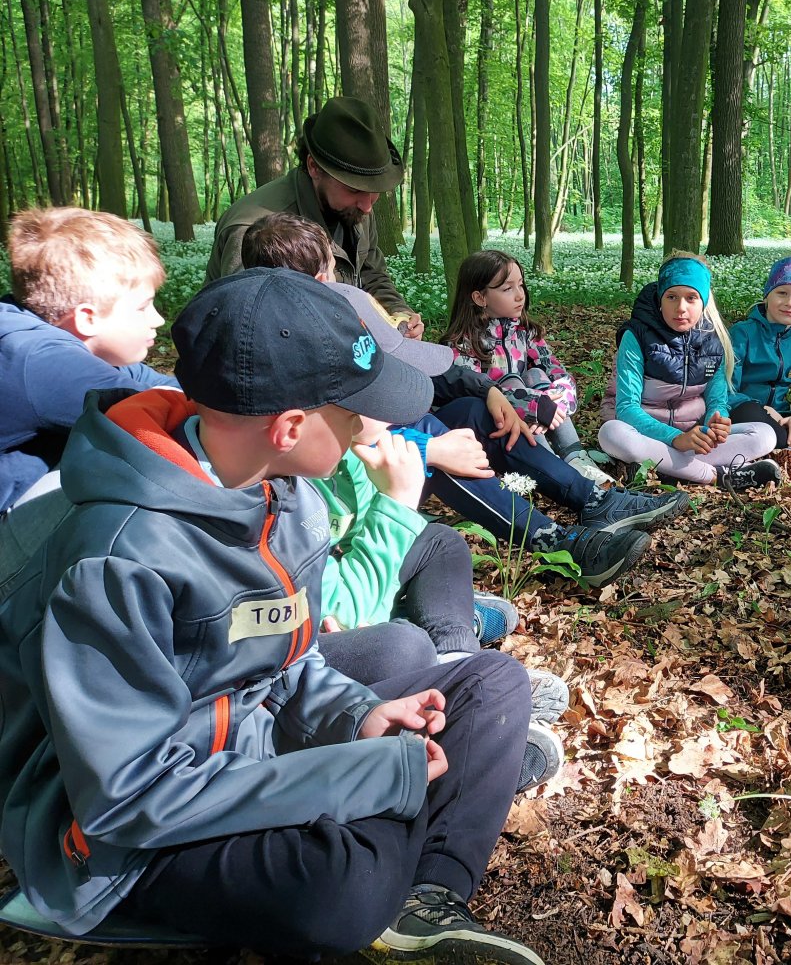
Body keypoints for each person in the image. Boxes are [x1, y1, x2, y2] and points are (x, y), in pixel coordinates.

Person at [0, 268, 545, 964]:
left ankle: (425, 897)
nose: (366, 430)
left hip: (250, 757)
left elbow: (289, 661)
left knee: (492, 684)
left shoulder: (287, 495)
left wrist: (357, 716)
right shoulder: (116, 557)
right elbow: (129, 796)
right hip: (128, 839)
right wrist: (367, 774)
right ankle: (405, 854)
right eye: (353, 415)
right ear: (288, 427)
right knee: (341, 886)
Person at [238, 217, 568, 789]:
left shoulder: (335, 454)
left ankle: (459, 662)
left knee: (438, 543)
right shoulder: (282, 491)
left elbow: (355, 553)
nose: (395, 418)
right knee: (400, 644)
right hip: (297, 675)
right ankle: (466, 714)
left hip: (328, 615)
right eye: (374, 402)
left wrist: (388, 493)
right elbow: (344, 612)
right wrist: (397, 501)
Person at [238, 213, 689, 588]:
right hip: (360, 468)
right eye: (333, 272)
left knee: (475, 410)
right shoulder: (294, 350)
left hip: (383, 438)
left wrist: (489, 391)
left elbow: (415, 371)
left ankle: (593, 500)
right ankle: (552, 540)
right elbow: (341, 441)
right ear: (320, 279)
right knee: (431, 436)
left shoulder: (327, 316)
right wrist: (429, 449)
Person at [0, 207, 177, 512]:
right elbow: (170, 416)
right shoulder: (45, 361)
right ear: (87, 318)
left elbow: (163, 388)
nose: (158, 319)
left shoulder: (46, 330)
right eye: (143, 307)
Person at [205, 95, 425, 339]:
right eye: (354, 189)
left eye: (376, 190)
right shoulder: (254, 230)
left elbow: (372, 274)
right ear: (313, 167)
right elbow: (249, 332)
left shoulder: (359, 207)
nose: (367, 206)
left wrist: (398, 314)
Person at [598, 253, 781, 490]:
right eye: (672, 297)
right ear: (660, 299)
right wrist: (675, 438)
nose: (681, 308)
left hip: (692, 436)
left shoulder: (714, 339)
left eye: (691, 298)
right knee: (611, 433)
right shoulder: (636, 336)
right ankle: (715, 476)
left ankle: (667, 468)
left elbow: (717, 399)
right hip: (646, 435)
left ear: (703, 301)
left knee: (765, 434)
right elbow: (626, 408)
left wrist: (716, 419)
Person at [444, 249, 611, 483]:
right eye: (507, 289)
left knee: (536, 373)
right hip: (494, 430)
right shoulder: (463, 343)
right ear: (480, 298)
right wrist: (532, 405)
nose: (519, 295)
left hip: (534, 416)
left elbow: (558, 373)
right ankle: (548, 463)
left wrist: (554, 402)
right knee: (512, 380)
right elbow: (474, 393)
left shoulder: (526, 333)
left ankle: (576, 457)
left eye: (520, 285)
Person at [728, 256, 791, 457]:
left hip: (781, 413)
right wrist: (763, 409)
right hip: (743, 408)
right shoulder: (742, 333)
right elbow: (728, 387)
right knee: (780, 436)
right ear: (767, 295)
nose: (790, 303)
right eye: (782, 293)